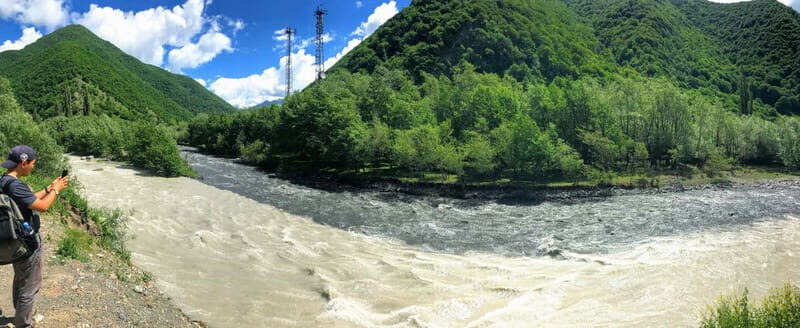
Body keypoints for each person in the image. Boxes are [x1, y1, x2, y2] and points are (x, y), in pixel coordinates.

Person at [0, 145, 68, 328]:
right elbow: (43, 207)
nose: (33, 167)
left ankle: (20, 315)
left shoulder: (4, 181)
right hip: (27, 243)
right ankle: (24, 324)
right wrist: (56, 190)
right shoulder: (16, 185)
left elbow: (30, 200)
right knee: (29, 286)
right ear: (23, 163)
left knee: (20, 279)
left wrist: (48, 188)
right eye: (33, 164)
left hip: (14, 241)